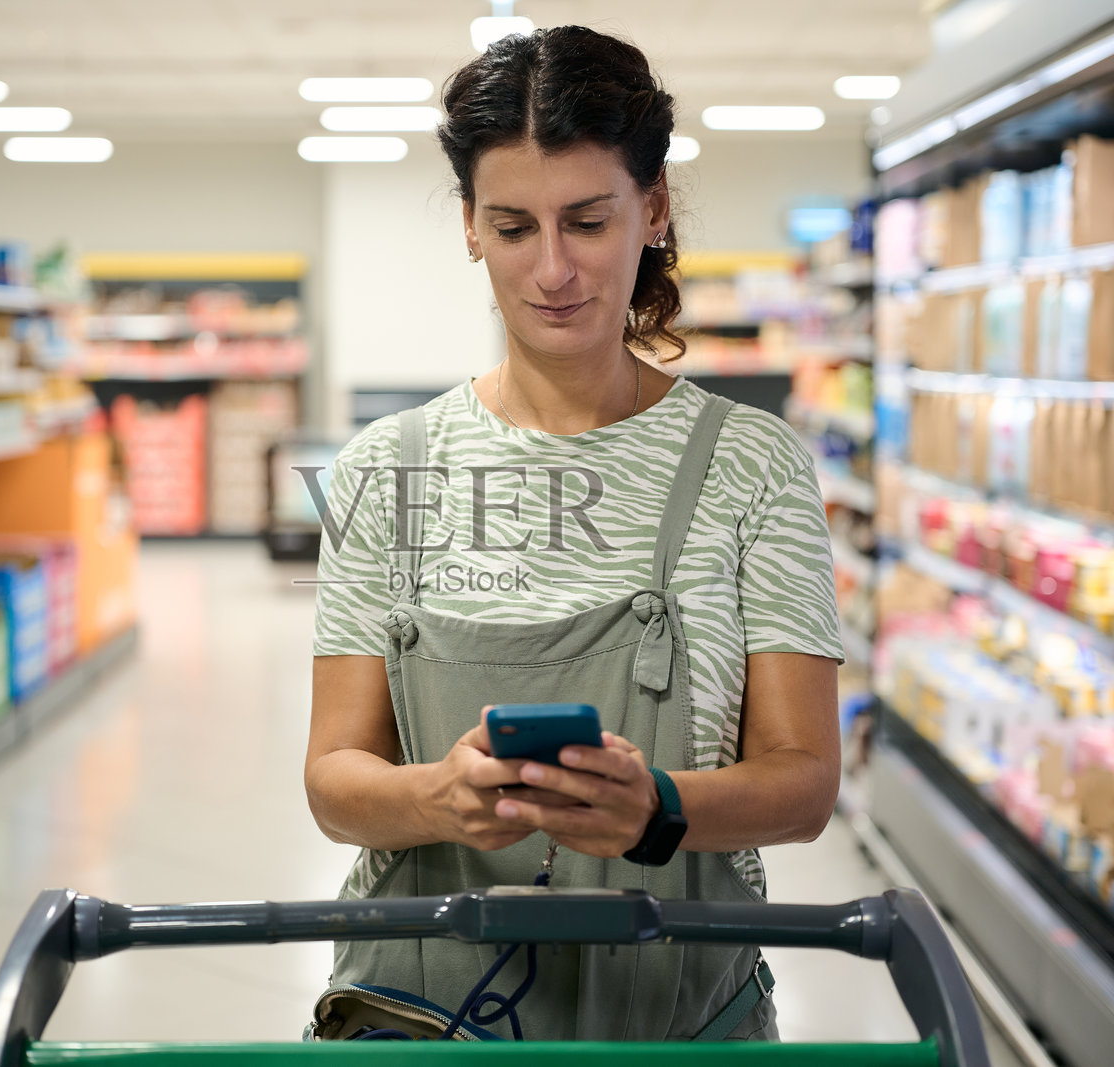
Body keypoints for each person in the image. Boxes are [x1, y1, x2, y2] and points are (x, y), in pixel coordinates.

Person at [303, 25, 843, 1043]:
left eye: (588, 222)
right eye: (513, 227)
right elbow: (335, 778)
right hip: (417, 1019)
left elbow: (804, 778)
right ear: (470, 226)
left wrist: (661, 805)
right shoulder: (387, 468)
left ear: (653, 208)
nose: (553, 269)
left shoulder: (751, 465)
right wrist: (438, 796)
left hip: (682, 1024)